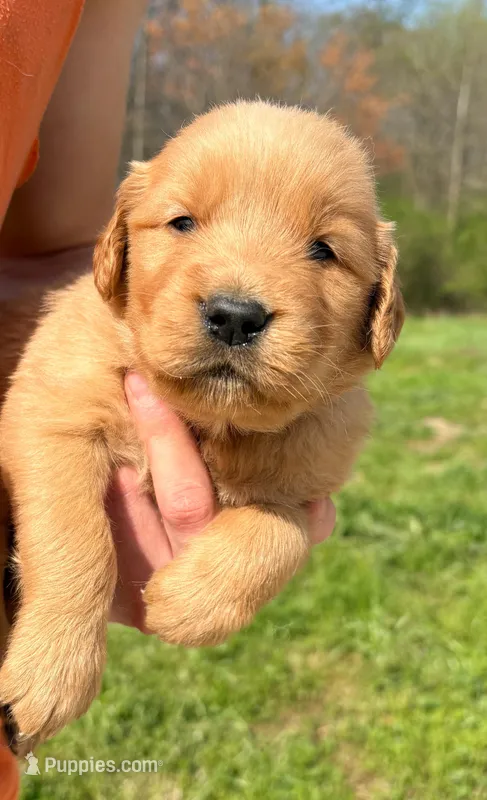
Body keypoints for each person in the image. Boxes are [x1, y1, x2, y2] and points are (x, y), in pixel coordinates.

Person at [0, 0, 336, 792]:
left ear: (378, 308)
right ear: (118, 250)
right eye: (181, 221)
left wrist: (266, 541)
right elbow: (50, 418)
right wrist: (67, 598)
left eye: (324, 250)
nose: (236, 300)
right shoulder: (96, 340)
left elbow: (41, 251)